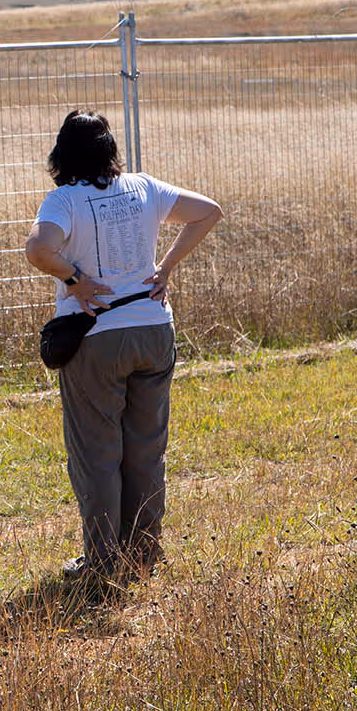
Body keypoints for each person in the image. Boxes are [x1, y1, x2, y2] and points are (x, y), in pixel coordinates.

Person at [24, 110, 222, 583]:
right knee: (146, 451)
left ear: (62, 154)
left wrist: (74, 280)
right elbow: (209, 212)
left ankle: (102, 564)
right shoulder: (143, 187)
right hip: (154, 329)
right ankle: (144, 554)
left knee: (97, 455)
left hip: (96, 337)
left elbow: (37, 250)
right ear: (111, 149)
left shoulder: (64, 200)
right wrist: (166, 268)